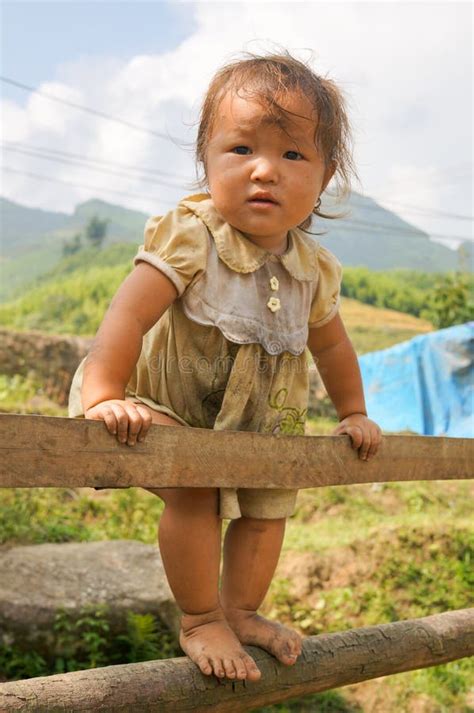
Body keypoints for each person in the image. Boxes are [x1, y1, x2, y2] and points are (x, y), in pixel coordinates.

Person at [68, 51, 382, 683]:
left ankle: (240, 610)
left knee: (270, 508)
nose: (265, 169)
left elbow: (334, 349)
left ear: (324, 179)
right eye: (241, 148)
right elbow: (127, 316)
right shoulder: (193, 234)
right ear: (207, 162)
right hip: (158, 404)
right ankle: (199, 617)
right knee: (196, 486)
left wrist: (354, 412)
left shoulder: (314, 270)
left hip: (257, 426)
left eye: (293, 155)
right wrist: (105, 393)